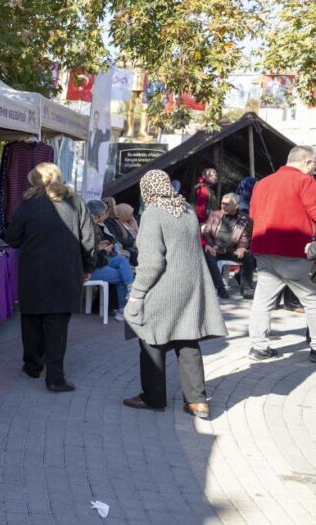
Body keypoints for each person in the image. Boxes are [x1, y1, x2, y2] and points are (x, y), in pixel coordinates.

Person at [122, 170, 227, 419]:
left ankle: (153, 397)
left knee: (150, 338)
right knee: (187, 339)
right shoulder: (187, 210)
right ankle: (197, 402)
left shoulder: (152, 214)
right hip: (192, 285)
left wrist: (136, 295)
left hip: (164, 286)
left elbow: (151, 263)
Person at [4, 163, 96, 392]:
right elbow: (89, 240)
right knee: (57, 325)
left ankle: (33, 366)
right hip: (65, 271)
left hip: (33, 272)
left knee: (32, 320)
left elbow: (13, 237)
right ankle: (55, 378)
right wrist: (88, 267)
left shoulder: (28, 205)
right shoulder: (76, 202)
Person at [246, 145, 316, 361]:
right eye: (314, 164)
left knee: (262, 301)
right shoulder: (306, 181)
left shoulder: (262, 183)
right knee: (312, 300)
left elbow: (253, 215)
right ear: (306, 162)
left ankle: (258, 347)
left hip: (264, 250)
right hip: (296, 251)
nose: (314, 170)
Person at [87, 199, 135, 321]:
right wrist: (103, 250)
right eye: (105, 213)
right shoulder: (87, 229)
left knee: (121, 260)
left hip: (97, 262)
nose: (107, 215)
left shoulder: (96, 226)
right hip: (88, 269)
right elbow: (88, 255)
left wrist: (100, 247)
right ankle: (123, 310)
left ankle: (130, 287)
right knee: (122, 276)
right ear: (100, 215)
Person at [201, 192, 255, 299]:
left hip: (231, 250)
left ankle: (246, 288)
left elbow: (245, 237)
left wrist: (241, 248)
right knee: (207, 254)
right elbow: (206, 232)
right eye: (222, 203)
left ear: (236, 205)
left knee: (249, 257)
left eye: (227, 204)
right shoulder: (215, 215)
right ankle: (220, 288)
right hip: (215, 248)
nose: (223, 206)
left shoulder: (244, 219)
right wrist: (211, 245)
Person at [103, 198, 137, 264]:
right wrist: (132, 243)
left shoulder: (126, 222)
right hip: (118, 250)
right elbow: (115, 238)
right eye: (114, 205)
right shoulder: (109, 222)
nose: (115, 208)